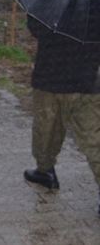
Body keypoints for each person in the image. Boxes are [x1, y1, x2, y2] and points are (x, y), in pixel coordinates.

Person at [22, 15, 100, 213]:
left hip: (51, 76)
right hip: (87, 78)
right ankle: (44, 170)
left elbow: (36, 29)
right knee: (94, 137)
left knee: (46, 130)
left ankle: (45, 171)